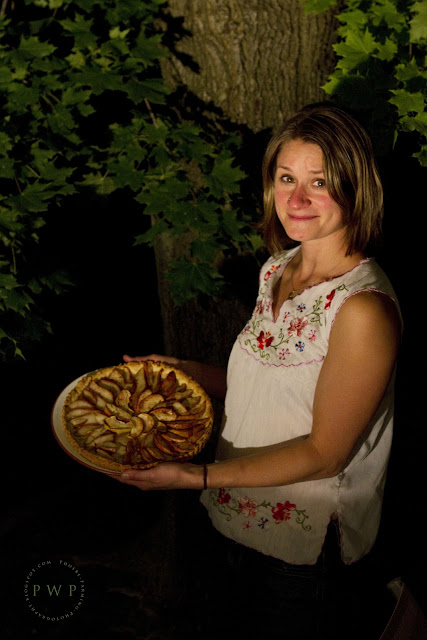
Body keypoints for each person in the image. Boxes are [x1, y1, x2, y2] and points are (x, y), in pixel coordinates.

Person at [116, 103, 401, 639]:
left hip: (298, 550)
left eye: (320, 182)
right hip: (234, 515)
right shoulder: (278, 267)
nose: (296, 199)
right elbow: (269, 385)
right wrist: (184, 372)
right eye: (286, 178)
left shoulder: (361, 309)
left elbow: (325, 453)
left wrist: (192, 476)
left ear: (357, 188)